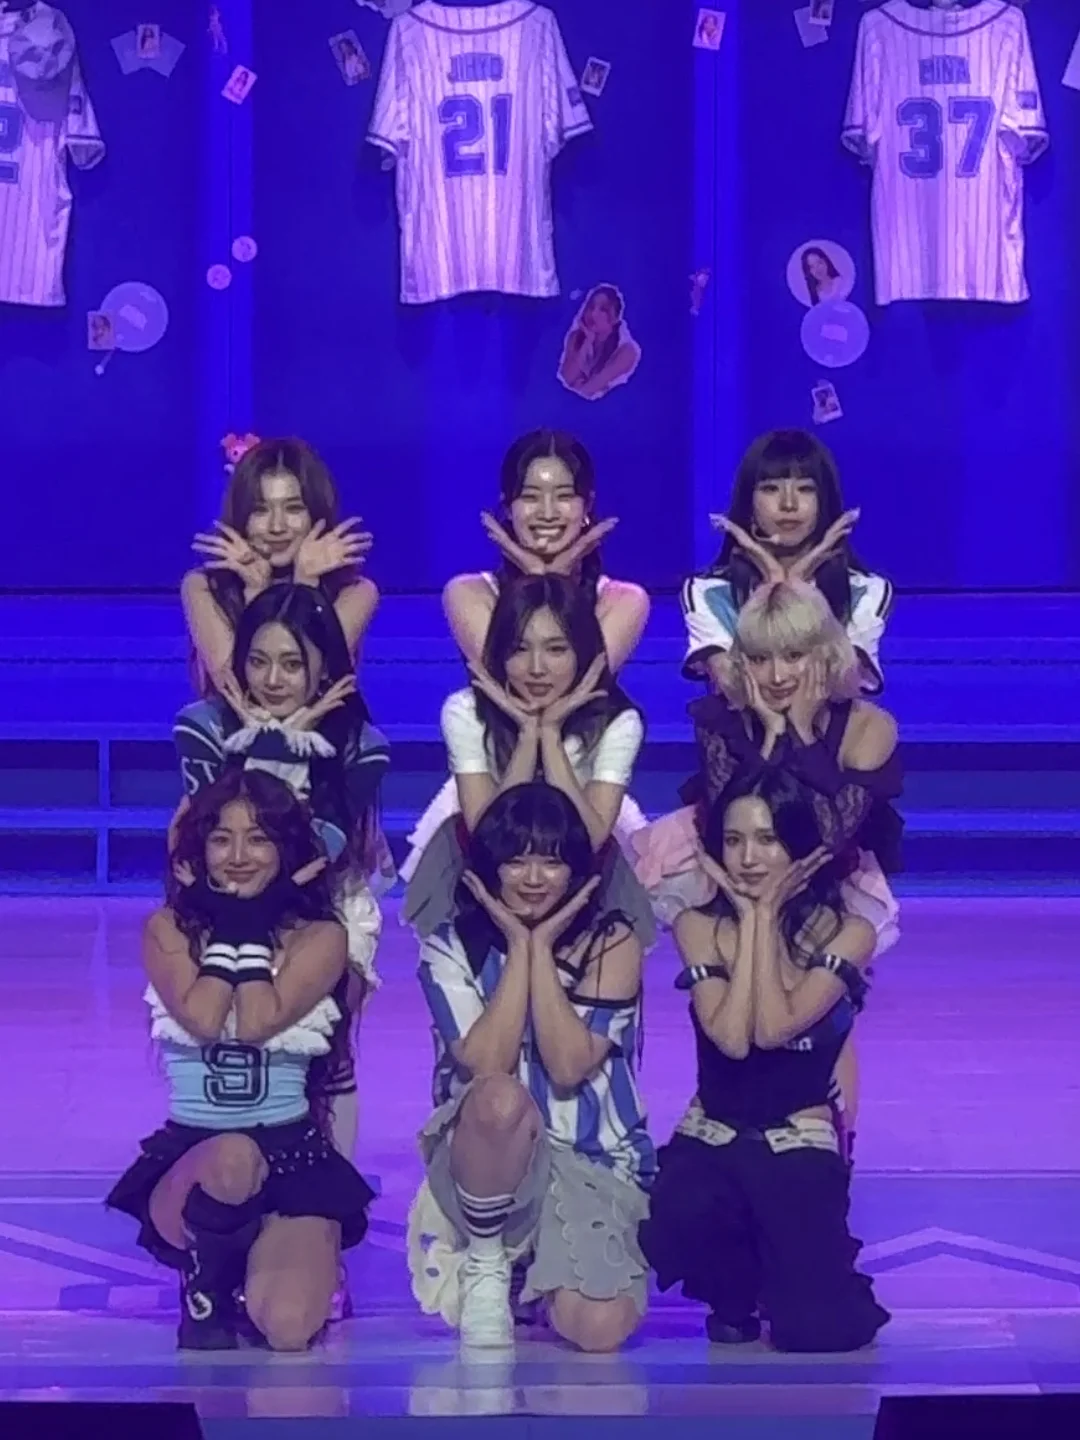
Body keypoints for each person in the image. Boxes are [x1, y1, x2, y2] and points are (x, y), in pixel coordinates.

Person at [173, 583, 389, 1321]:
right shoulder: (203, 726)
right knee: (232, 1046)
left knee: (326, 1059)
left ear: (323, 667)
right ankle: (225, 1221)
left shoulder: (359, 742)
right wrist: (276, 736)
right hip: (223, 900)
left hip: (326, 906)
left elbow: (312, 851)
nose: (272, 680)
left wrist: (279, 740)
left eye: (292, 664)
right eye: (258, 661)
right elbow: (214, 837)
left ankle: (323, 1226)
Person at [106, 770, 374, 1352]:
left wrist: (246, 922)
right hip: (197, 1158)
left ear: (286, 849)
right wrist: (236, 922)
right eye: (221, 839)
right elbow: (206, 1018)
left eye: (258, 839)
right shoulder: (167, 929)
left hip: (293, 1156)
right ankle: (206, 1287)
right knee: (233, 1155)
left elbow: (256, 1021)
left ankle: (250, 1264)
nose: (237, 857)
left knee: (290, 1330)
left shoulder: (321, 938)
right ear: (199, 850)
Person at [633, 580, 903, 1152]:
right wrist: (768, 738)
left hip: (832, 878)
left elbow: (829, 833)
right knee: (741, 997)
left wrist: (798, 735)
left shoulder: (868, 726)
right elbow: (735, 822)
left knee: (824, 1008)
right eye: (759, 658)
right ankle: (722, 1120)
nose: (777, 675)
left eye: (794, 655)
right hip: (739, 871)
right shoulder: (722, 721)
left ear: (825, 655)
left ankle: (834, 1146)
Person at [639, 770, 889, 1353]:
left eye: (768, 839)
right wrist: (753, 920)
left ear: (799, 845)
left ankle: (793, 1274)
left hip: (797, 1140)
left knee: (815, 1331)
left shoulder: (850, 933)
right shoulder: (696, 924)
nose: (748, 858)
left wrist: (765, 917)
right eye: (733, 841)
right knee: (686, 1208)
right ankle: (735, 1290)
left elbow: (774, 1028)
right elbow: (733, 1039)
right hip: (713, 1137)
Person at [408, 783, 653, 1352]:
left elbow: (568, 1064)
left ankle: (538, 1285)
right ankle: (488, 1261)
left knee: (600, 1332)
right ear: (488, 868)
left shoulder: (613, 942)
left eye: (552, 861)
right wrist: (518, 948)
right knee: (499, 1099)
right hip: (487, 1159)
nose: (534, 878)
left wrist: (537, 948)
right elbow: (487, 1065)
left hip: (593, 1161)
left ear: (578, 870)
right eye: (516, 861)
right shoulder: (449, 945)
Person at [403, 573, 652, 944]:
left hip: (584, 876)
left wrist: (549, 735)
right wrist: (526, 736)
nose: (537, 668)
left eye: (556, 650)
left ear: (583, 653)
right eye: (520, 649)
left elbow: (589, 839)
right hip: (482, 875)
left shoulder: (617, 722)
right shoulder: (466, 712)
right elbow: (492, 839)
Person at [682, 429, 892, 695]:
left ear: (824, 502)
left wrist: (795, 586)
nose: (789, 504)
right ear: (748, 503)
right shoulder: (708, 592)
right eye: (770, 489)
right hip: (741, 721)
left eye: (805, 489)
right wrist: (775, 583)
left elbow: (844, 685)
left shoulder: (865, 590)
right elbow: (733, 688)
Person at [444, 429, 649, 673]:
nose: (548, 513)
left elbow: (578, 683)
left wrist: (547, 578)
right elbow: (510, 681)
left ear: (587, 506)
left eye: (564, 496)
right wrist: (543, 578)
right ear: (508, 508)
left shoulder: (622, 600)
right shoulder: (469, 593)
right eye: (531, 497)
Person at [183, 435, 377, 694]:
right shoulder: (203, 586)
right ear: (241, 516)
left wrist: (305, 587)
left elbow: (301, 685)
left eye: (294, 509)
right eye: (260, 510)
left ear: (315, 514)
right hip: (227, 722)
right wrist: (255, 591)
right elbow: (236, 691)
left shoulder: (355, 592)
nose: (277, 527)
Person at [558, 285, 642, 401]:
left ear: (615, 318)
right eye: (591, 307)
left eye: (603, 310)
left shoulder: (626, 350)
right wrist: (586, 344)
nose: (593, 314)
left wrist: (577, 386)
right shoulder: (576, 337)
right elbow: (566, 379)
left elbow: (589, 390)